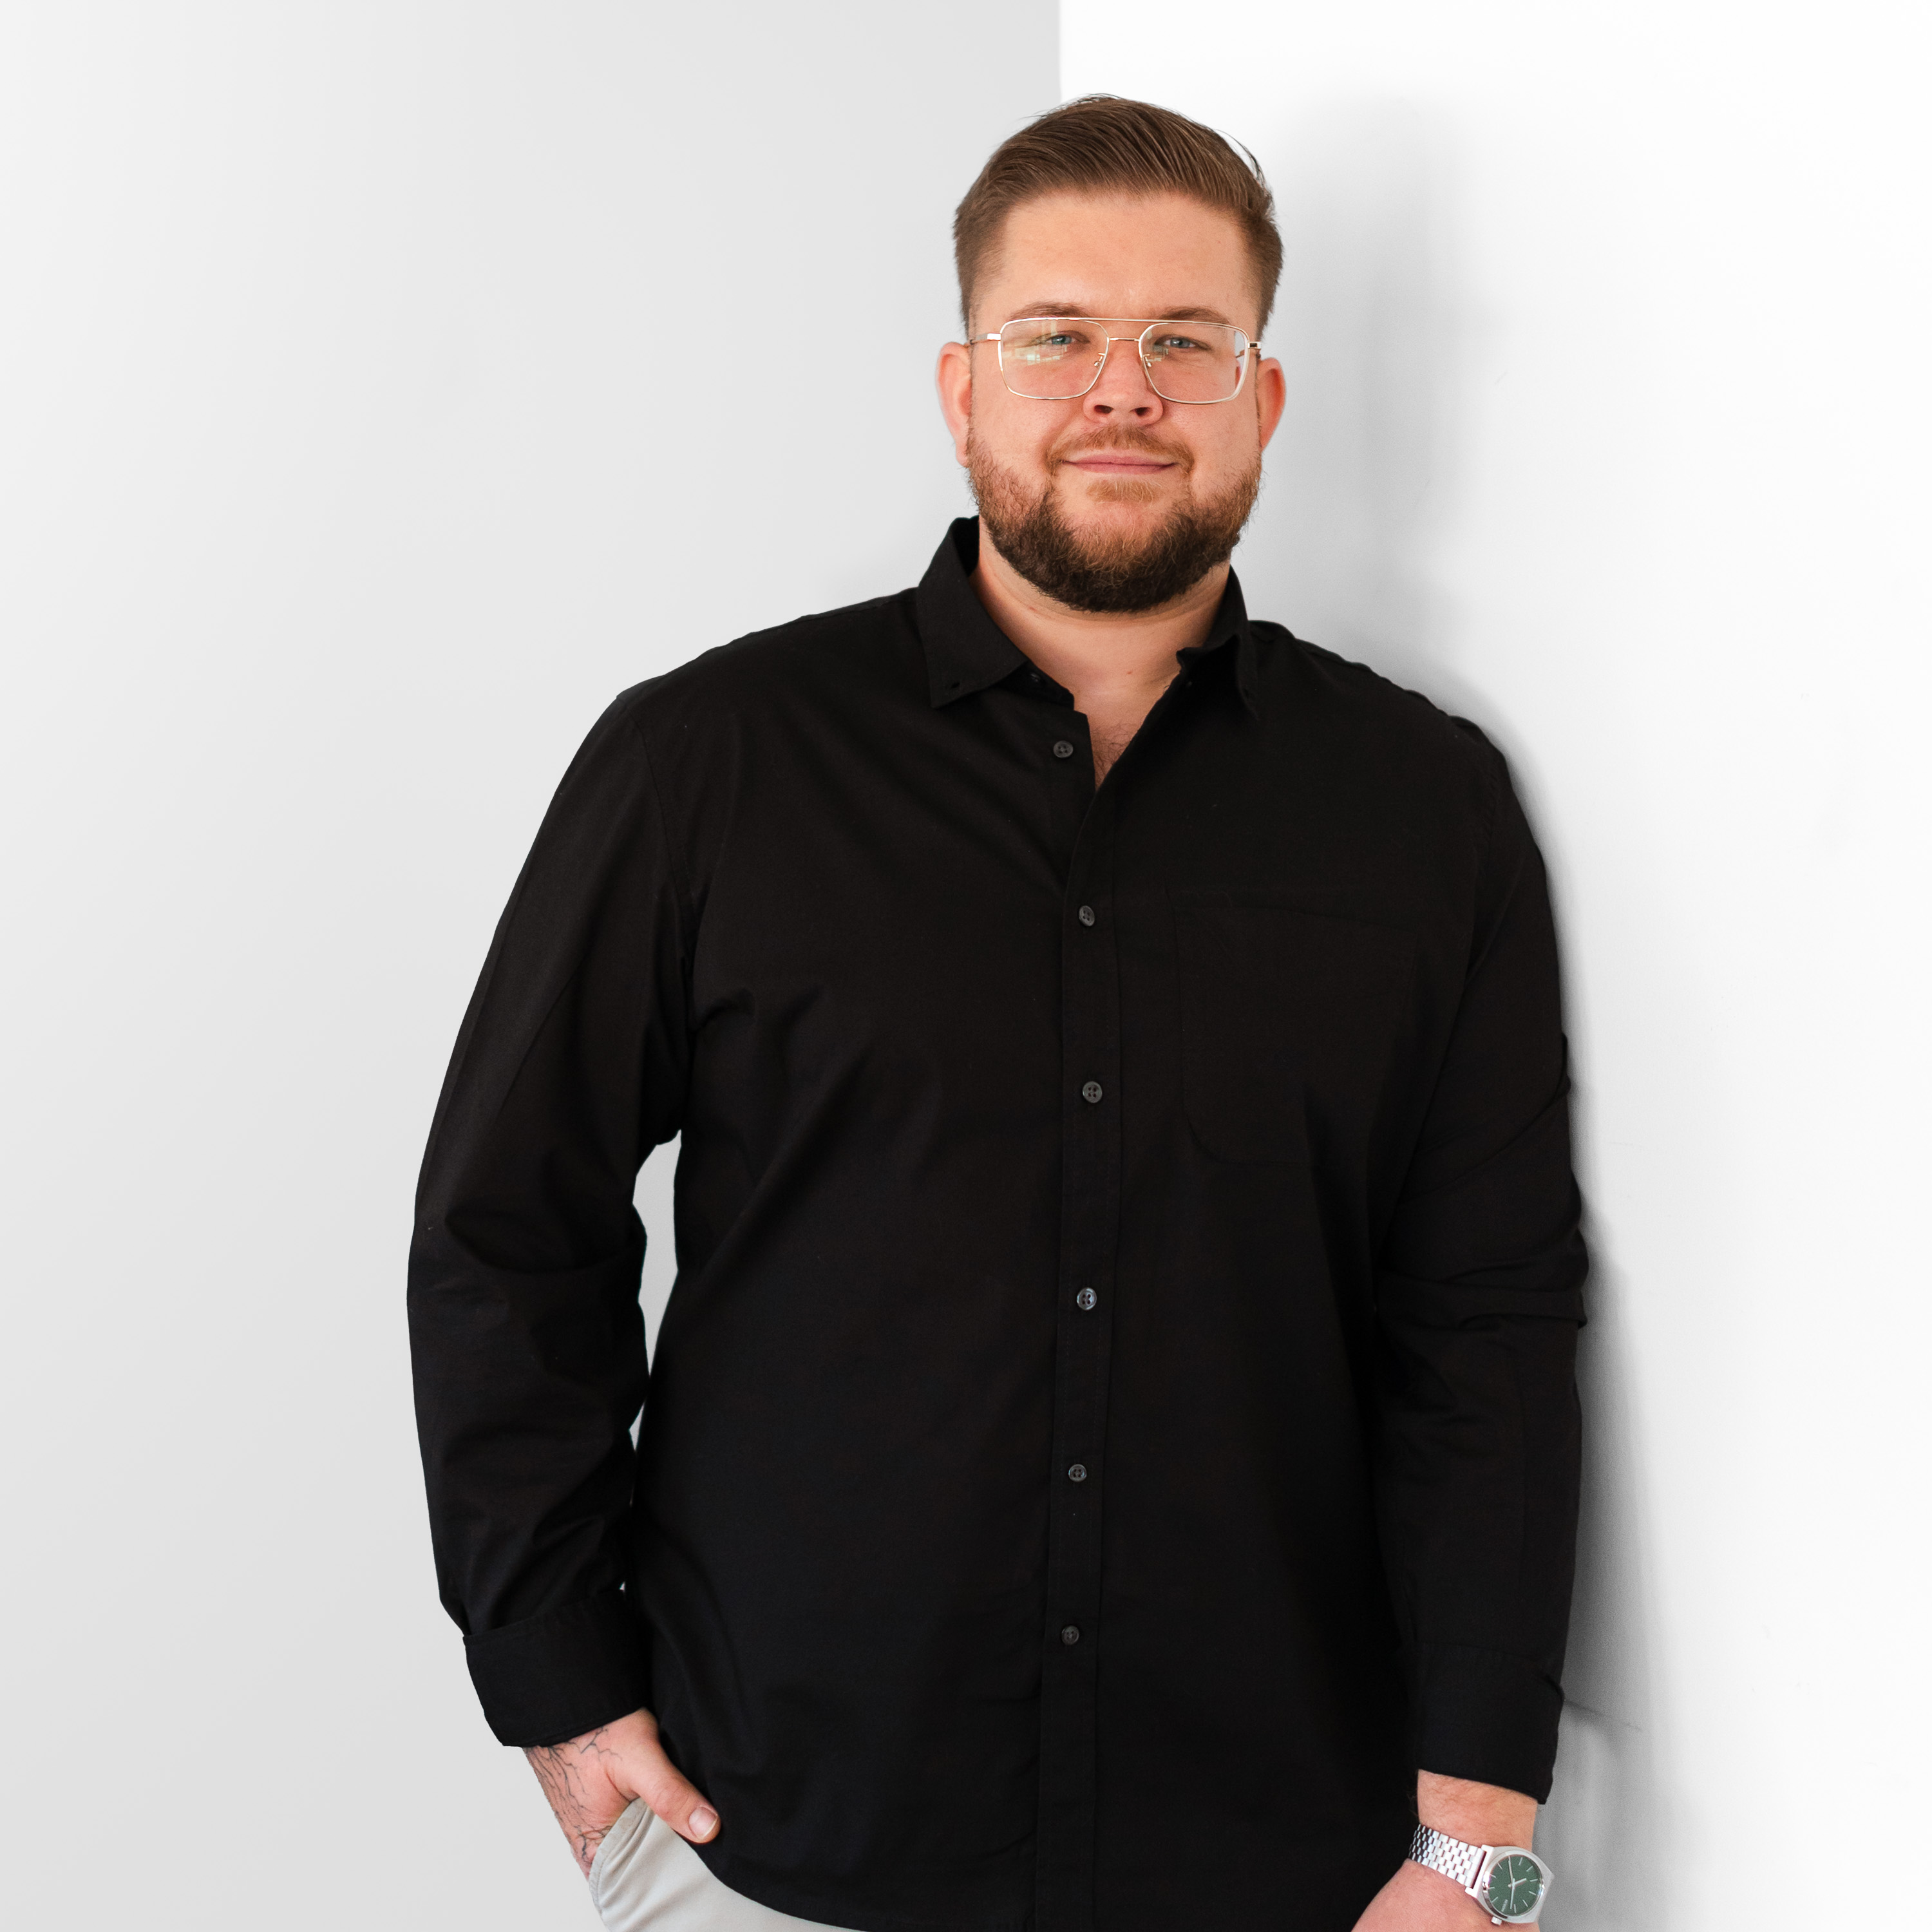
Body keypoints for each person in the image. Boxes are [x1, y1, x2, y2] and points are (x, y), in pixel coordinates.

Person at [408, 95, 1586, 1932]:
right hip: (776, 1832)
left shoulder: (1426, 812)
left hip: (1295, 1863)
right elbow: (506, 1234)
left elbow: (1490, 1323)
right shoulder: (706, 765)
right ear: (962, 390)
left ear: (1261, 403)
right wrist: (557, 1680)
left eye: (1185, 342)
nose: (1122, 388)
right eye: (1057, 337)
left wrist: (1476, 1828)